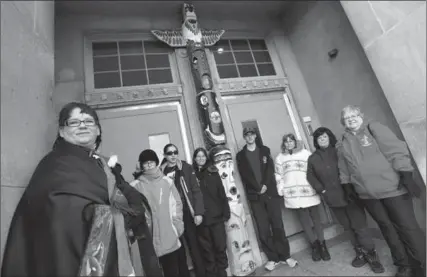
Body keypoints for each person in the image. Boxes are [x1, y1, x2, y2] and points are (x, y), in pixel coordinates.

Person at [1, 102, 135, 276]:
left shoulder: (101, 164)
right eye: (74, 122)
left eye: (88, 121)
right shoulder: (54, 164)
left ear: (98, 130)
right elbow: (55, 212)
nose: (82, 126)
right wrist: (110, 214)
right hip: (68, 257)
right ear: (62, 132)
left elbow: (129, 199)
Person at [337, 105, 425, 277]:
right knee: (388, 230)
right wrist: (347, 186)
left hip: (393, 190)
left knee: (407, 228)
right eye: (347, 118)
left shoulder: (373, 128)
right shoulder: (342, 143)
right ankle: (403, 265)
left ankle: (421, 265)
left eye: (354, 115)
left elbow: (396, 150)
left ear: (361, 116)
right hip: (368, 195)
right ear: (343, 122)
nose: (351, 119)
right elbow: (344, 169)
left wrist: (406, 174)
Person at [306, 127, 384, 273]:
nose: (322, 139)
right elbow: (310, 176)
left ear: (330, 137)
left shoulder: (340, 150)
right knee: (347, 226)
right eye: (319, 138)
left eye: (324, 136)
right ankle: (360, 253)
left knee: (359, 225)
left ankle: (372, 255)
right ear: (316, 141)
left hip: (350, 195)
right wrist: (322, 190)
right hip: (333, 198)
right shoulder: (313, 158)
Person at [236, 127, 298, 271]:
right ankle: (272, 258)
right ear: (244, 137)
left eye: (252, 134)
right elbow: (244, 175)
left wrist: (264, 185)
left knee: (277, 225)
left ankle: (285, 256)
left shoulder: (265, 150)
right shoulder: (240, 156)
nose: (250, 137)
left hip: (270, 193)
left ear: (255, 136)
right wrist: (257, 188)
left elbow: (270, 169)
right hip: (255, 196)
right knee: (263, 229)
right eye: (247, 135)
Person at [275, 133, 330, 262]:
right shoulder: (280, 158)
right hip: (293, 194)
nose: (289, 143)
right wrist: (282, 189)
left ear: (295, 142)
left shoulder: (305, 154)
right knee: (304, 221)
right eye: (286, 141)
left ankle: (323, 245)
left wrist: (318, 185)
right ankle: (314, 246)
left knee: (316, 219)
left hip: (308, 190)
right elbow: (278, 175)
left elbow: (314, 170)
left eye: (291, 141)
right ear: (284, 144)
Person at [131, 149, 186, 277]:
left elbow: (176, 205)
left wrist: (177, 227)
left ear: (156, 163)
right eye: (146, 163)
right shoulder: (135, 186)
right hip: (149, 240)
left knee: (172, 272)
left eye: (151, 162)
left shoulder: (167, 182)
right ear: (141, 165)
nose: (149, 165)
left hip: (169, 237)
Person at [160, 143, 206, 277]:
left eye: (175, 152)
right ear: (164, 155)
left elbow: (196, 191)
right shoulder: (161, 173)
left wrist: (198, 212)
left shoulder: (185, 167)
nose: (173, 155)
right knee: (177, 250)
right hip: (172, 217)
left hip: (187, 213)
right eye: (169, 153)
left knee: (194, 246)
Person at [192, 147, 230, 277]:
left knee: (220, 246)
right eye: (198, 156)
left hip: (216, 216)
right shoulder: (192, 175)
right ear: (195, 159)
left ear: (206, 158)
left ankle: (222, 272)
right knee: (207, 250)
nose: (201, 158)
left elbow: (221, 192)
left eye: (203, 156)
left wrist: (226, 212)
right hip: (202, 219)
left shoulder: (213, 171)